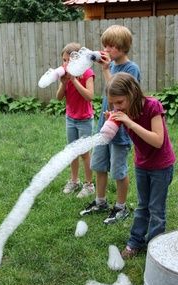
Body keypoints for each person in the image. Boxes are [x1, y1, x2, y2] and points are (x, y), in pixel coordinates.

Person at [105, 72, 175, 258]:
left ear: (132, 93)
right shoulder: (124, 111)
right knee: (142, 206)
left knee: (156, 209)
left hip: (161, 165)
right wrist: (111, 123)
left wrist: (129, 122)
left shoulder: (153, 106)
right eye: (113, 103)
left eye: (119, 102)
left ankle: (155, 249)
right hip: (142, 164)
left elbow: (158, 140)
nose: (116, 107)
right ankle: (135, 242)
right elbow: (114, 134)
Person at [80, 25, 140, 225]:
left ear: (123, 48)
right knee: (99, 165)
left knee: (118, 170)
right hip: (104, 126)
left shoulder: (131, 69)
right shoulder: (112, 66)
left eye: (111, 46)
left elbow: (116, 91)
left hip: (120, 130)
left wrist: (106, 71)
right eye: (104, 45)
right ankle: (100, 201)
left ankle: (121, 207)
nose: (106, 49)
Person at [56, 42, 95, 198]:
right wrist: (63, 83)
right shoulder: (65, 77)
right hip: (70, 118)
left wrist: (74, 80)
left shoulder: (87, 73)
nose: (65, 64)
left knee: (84, 153)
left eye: (68, 60)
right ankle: (74, 181)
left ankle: (89, 184)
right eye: (64, 60)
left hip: (85, 119)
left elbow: (90, 96)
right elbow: (59, 98)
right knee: (72, 151)